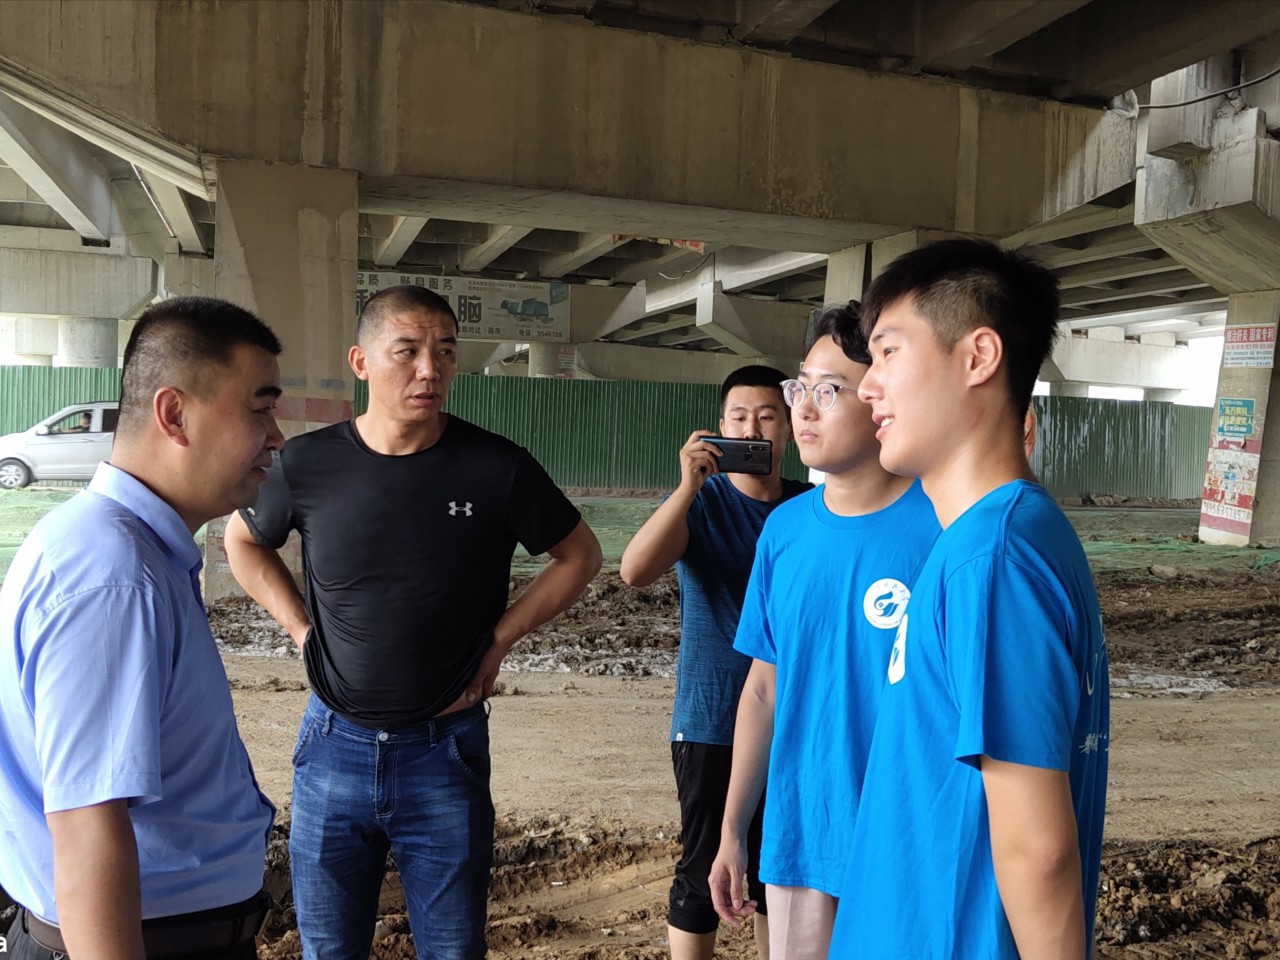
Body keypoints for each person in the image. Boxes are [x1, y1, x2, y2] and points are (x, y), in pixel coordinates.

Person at [224, 285, 602, 960]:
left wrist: (499, 641)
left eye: (445, 352)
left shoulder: (495, 466)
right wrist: (302, 631)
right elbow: (243, 542)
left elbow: (580, 555)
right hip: (332, 746)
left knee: (452, 950)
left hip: (444, 751)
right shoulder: (306, 464)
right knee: (327, 949)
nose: (431, 370)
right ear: (361, 362)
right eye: (408, 351)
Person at [829, 238, 1110, 959]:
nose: (868, 386)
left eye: (888, 352)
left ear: (978, 356)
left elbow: (1038, 852)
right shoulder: (998, 539)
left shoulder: (993, 558)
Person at [0, 296, 284, 959]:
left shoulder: (122, 549)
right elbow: (87, 830)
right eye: (260, 408)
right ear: (174, 414)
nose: (276, 436)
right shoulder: (114, 577)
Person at [706, 305, 940, 960]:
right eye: (800, 387)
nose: (804, 409)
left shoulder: (942, 529)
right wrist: (732, 829)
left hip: (906, 841)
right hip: (802, 835)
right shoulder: (784, 531)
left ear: (881, 396)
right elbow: (763, 689)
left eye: (830, 390)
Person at [620, 365, 810, 960]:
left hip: (793, 721)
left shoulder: (811, 508)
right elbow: (634, 571)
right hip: (711, 721)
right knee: (704, 867)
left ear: (789, 429)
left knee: (779, 867)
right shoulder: (701, 505)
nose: (751, 430)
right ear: (718, 428)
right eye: (738, 418)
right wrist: (686, 488)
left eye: (767, 417)